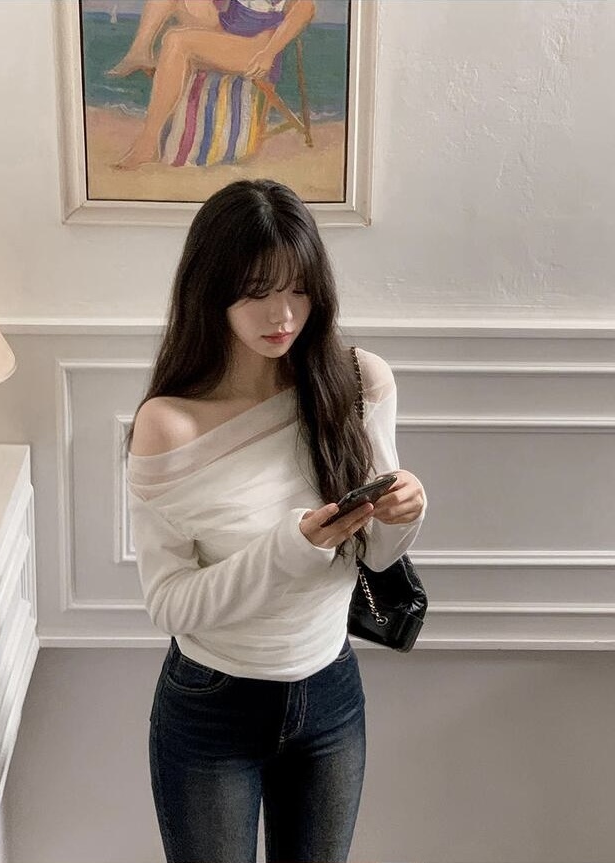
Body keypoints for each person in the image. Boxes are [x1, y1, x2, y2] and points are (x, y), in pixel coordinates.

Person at [127, 179, 426, 863]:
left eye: (299, 289)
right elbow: (169, 603)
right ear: (211, 292)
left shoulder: (359, 382)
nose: (283, 314)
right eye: (257, 291)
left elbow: (377, 556)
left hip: (331, 692)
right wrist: (287, 551)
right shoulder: (169, 426)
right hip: (213, 706)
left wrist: (406, 511)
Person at [110, 0, 315, 169]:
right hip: (229, 28)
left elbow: (306, 8)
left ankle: (147, 143)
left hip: (256, 46)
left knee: (175, 40)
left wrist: (268, 53)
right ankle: (139, 51)